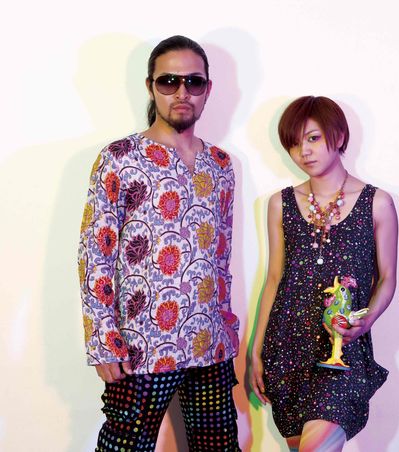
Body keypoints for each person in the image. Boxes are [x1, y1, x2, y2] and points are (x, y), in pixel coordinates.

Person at [78, 35, 240, 451]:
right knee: (124, 447)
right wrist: (103, 341)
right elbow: (95, 254)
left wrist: (228, 325)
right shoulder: (120, 157)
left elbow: (221, 256)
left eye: (193, 82)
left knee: (220, 447)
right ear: (151, 86)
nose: (182, 92)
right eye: (169, 81)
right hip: (141, 344)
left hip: (210, 341)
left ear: (208, 89)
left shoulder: (221, 164)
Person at [249, 96, 397, 451]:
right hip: (286, 346)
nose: (304, 151)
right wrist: (255, 350)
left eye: (313, 138)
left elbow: (388, 278)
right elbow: (274, 279)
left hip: (339, 347)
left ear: (339, 136)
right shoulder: (280, 203)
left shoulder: (377, 202)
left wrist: (366, 321)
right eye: (294, 143)